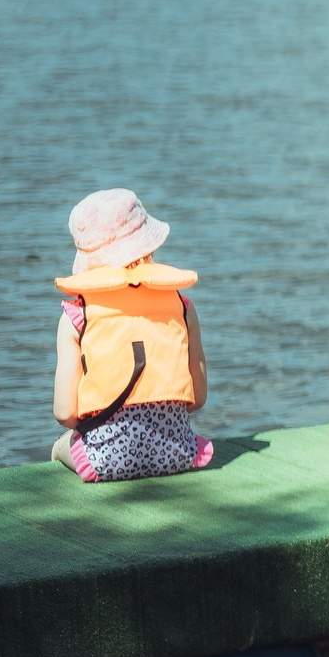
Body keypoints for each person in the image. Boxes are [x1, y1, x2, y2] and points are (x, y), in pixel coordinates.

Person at [51, 189, 212, 483]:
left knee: (64, 442)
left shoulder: (77, 316)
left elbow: (65, 413)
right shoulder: (182, 307)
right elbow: (198, 398)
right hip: (179, 453)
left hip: (105, 462)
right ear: (148, 246)